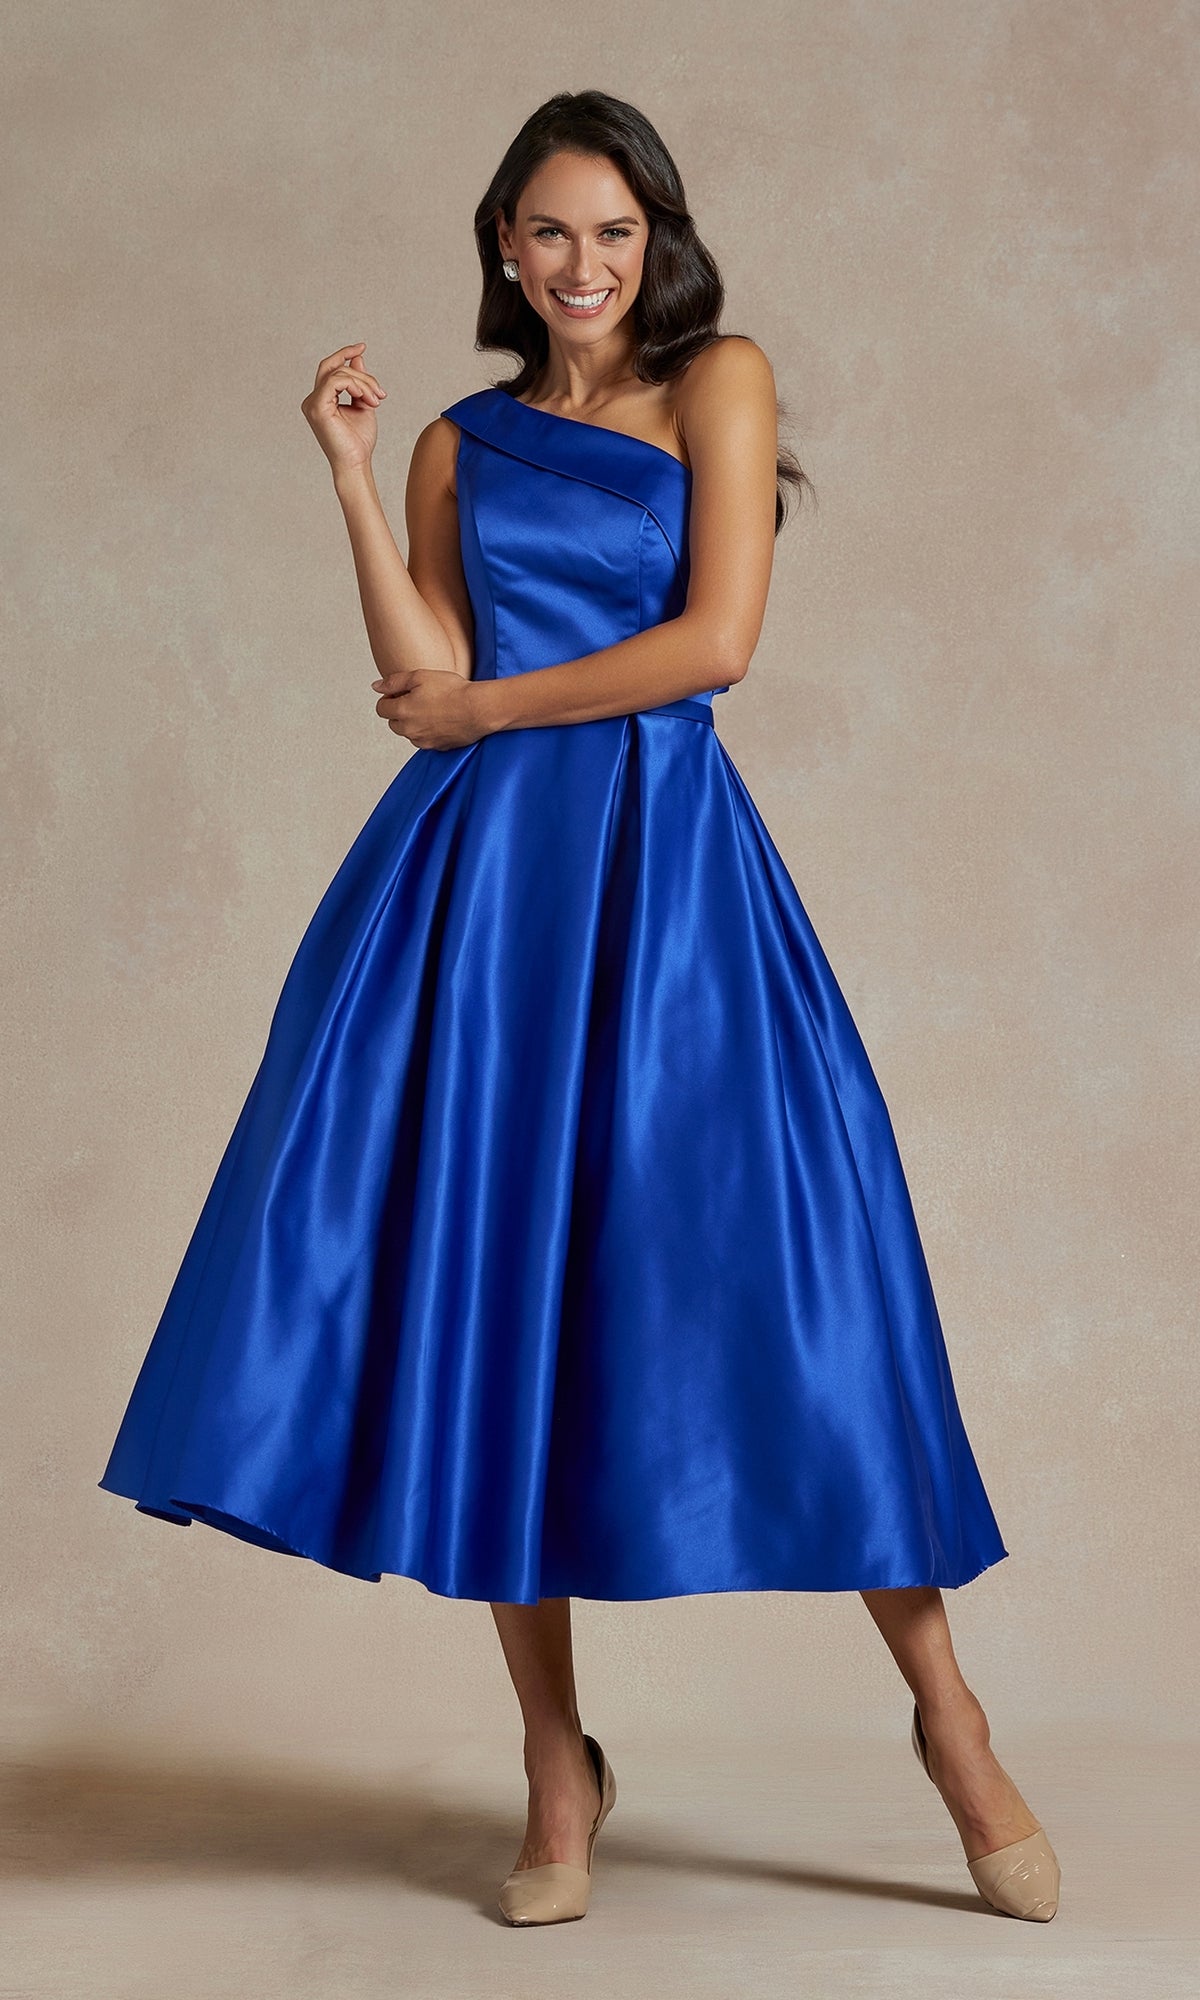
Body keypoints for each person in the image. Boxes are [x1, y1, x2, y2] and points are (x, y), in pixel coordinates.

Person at [98, 88, 1060, 1927]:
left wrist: (482, 715)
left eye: (615, 232)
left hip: (667, 877)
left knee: (798, 1270)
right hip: (483, 896)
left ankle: (949, 1721)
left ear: (659, 241)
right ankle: (556, 1761)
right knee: (493, 1289)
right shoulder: (465, 440)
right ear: (504, 248)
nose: (585, 265)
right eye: (549, 233)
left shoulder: (721, 381)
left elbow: (718, 646)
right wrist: (355, 486)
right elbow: (424, 672)